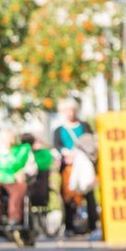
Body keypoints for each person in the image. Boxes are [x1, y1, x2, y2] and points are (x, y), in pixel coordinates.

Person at [53, 98, 97, 236]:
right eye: (66, 110)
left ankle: (92, 225)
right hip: (68, 166)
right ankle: (69, 226)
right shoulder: (59, 130)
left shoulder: (84, 126)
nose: (69, 113)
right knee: (68, 195)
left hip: (84, 165)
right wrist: (65, 152)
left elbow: (90, 142)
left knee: (88, 194)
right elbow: (58, 145)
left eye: (71, 110)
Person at [0, 129, 35, 226]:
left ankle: (15, 217)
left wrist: (23, 173)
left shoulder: (22, 151)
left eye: (12, 137)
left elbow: (32, 167)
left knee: (21, 188)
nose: (10, 140)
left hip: (15, 179)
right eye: (7, 137)